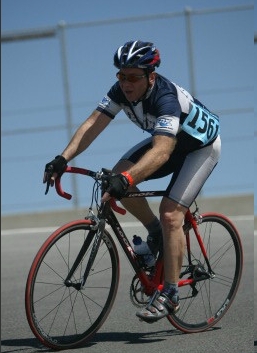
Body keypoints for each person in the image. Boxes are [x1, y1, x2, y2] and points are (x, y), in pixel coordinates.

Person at [43, 40, 221, 323]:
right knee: (114, 178)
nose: (126, 83)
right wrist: (62, 159)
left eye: (133, 77)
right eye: (121, 76)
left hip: (199, 149)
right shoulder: (120, 91)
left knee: (170, 214)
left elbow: (162, 151)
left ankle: (171, 293)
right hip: (169, 144)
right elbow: (92, 126)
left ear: (151, 76)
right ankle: (155, 234)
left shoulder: (165, 98)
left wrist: (126, 179)